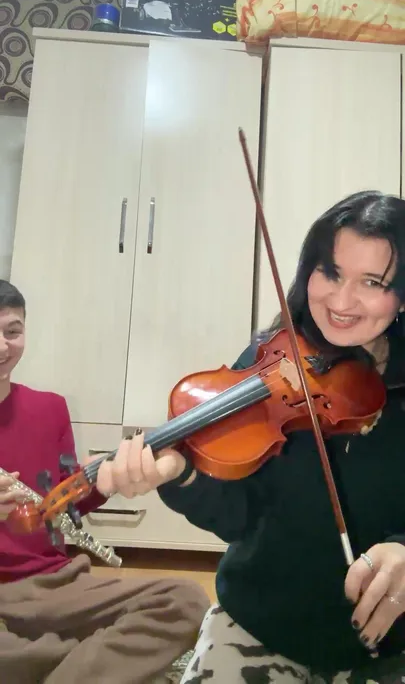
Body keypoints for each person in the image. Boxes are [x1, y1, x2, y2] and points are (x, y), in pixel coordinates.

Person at [96, 190, 405, 683]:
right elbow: (239, 518)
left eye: (372, 282)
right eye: (330, 272)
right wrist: (183, 474)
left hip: (388, 641)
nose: (342, 301)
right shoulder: (273, 359)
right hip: (263, 618)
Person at [0, 279, 210, 684]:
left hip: (55, 586)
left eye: (13, 331)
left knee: (184, 603)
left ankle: (46, 658)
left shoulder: (50, 408)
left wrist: (103, 482)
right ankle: (77, 658)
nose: (2, 346)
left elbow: (68, 507)